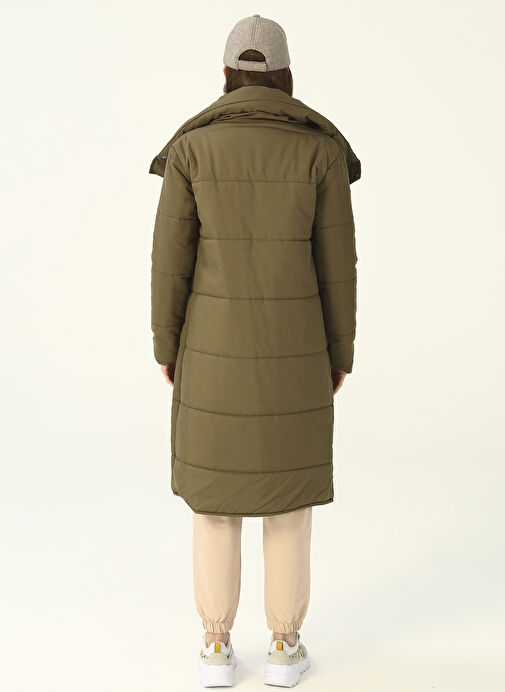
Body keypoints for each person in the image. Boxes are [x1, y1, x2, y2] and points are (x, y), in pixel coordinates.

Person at [149, 14, 360, 688]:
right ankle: (283, 644)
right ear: (285, 76)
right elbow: (338, 268)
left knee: (215, 500)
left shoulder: (192, 150)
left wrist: (166, 344)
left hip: (210, 354)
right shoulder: (319, 152)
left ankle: (215, 645)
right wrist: (339, 353)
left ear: (225, 75)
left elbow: (170, 263)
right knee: (288, 500)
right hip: (297, 354)